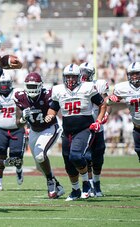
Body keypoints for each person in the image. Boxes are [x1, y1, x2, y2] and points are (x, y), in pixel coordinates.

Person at [45, 64, 106, 201]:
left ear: (79, 77)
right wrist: (50, 115)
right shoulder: (58, 90)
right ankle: (75, 190)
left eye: (73, 76)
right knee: (68, 163)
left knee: (76, 156)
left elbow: (102, 104)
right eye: (68, 76)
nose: (70, 79)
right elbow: (53, 108)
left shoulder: (87, 87)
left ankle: (86, 184)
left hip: (84, 129)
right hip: (67, 131)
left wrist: (99, 121)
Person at [14, 72, 64, 199]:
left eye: (34, 86)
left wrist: (50, 115)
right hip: (34, 131)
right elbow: (18, 124)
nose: (31, 89)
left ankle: (50, 183)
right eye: (29, 87)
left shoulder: (48, 95)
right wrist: (23, 119)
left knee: (40, 155)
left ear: (40, 85)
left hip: (49, 128)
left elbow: (56, 107)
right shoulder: (20, 97)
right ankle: (57, 185)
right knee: (38, 165)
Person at [0, 74, 26, 192]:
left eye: (6, 84)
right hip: (0, 129)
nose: (4, 86)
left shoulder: (17, 94)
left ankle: (18, 169)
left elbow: (26, 108)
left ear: (10, 83)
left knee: (16, 155)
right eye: (1, 84)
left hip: (17, 129)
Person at [79, 62, 111, 197]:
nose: (83, 74)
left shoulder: (100, 84)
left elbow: (106, 102)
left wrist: (105, 114)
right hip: (83, 126)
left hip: (97, 126)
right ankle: (90, 183)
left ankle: (96, 183)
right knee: (85, 157)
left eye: (86, 72)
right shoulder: (76, 86)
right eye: (82, 71)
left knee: (98, 158)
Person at [108, 62, 140, 163]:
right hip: (137, 127)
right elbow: (109, 101)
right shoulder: (122, 88)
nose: (134, 76)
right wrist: (111, 99)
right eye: (132, 74)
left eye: (137, 73)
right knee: (138, 151)